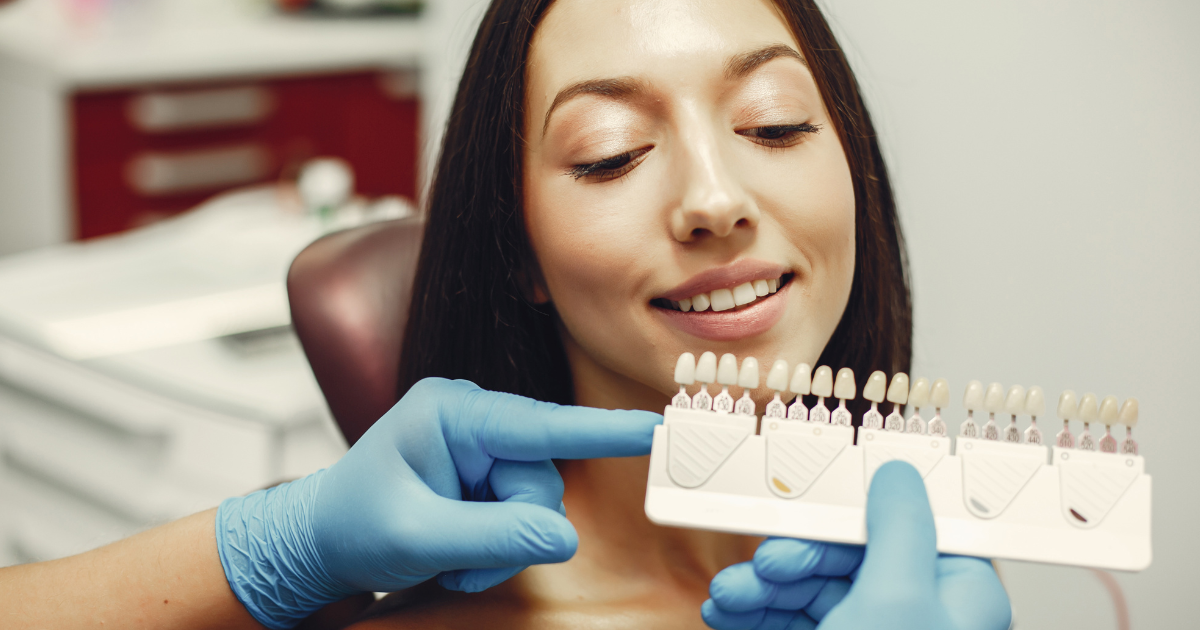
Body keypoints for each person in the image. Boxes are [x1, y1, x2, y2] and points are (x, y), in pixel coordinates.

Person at [0, 0, 1012, 628]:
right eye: (610, 153)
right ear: (520, 247)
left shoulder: (918, 583)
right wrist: (268, 547)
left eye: (776, 124)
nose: (715, 197)